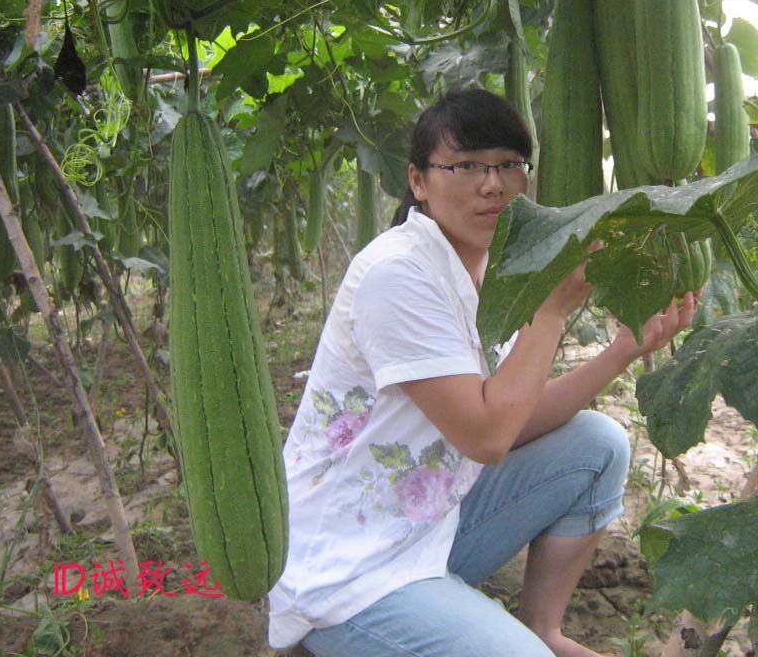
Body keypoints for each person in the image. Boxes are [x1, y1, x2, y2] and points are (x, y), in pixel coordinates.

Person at [267, 88, 696, 657]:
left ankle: (543, 629)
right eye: (466, 166)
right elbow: (488, 437)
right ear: (418, 181)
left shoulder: (490, 273)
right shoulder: (397, 273)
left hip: (423, 524)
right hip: (347, 568)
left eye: (508, 164)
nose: (492, 184)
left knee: (599, 444)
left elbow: (514, 420)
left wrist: (620, 351)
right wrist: (550, 308)